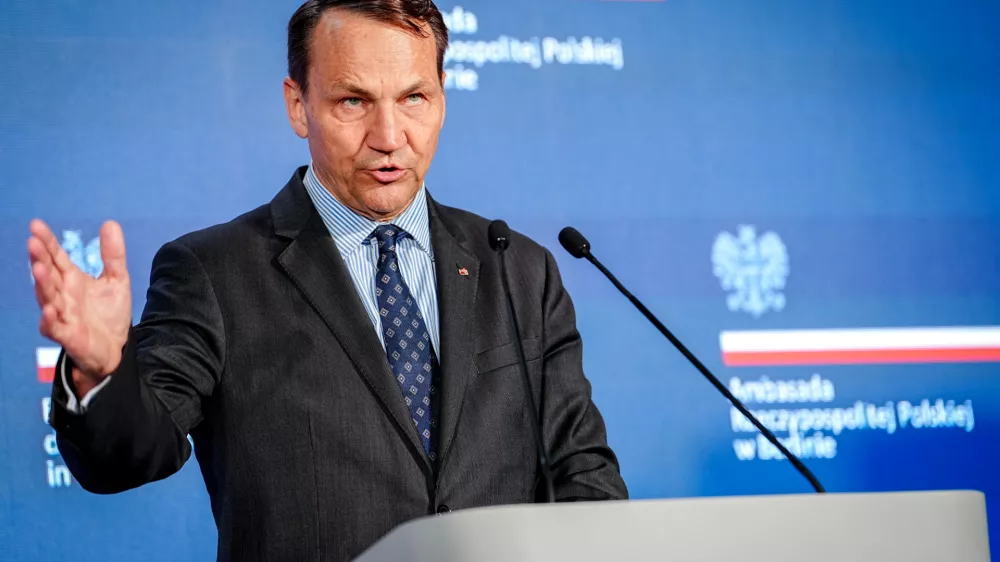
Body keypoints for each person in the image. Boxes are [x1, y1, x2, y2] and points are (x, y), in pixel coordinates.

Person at [27, 0, 628, 560]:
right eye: (353, 102)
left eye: (414, 97)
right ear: (298, 105)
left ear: (443, 97)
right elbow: (127, 457)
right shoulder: (215, 272)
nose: (389, 137)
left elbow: (584, 478)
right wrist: (102, 373)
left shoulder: (518, 268)